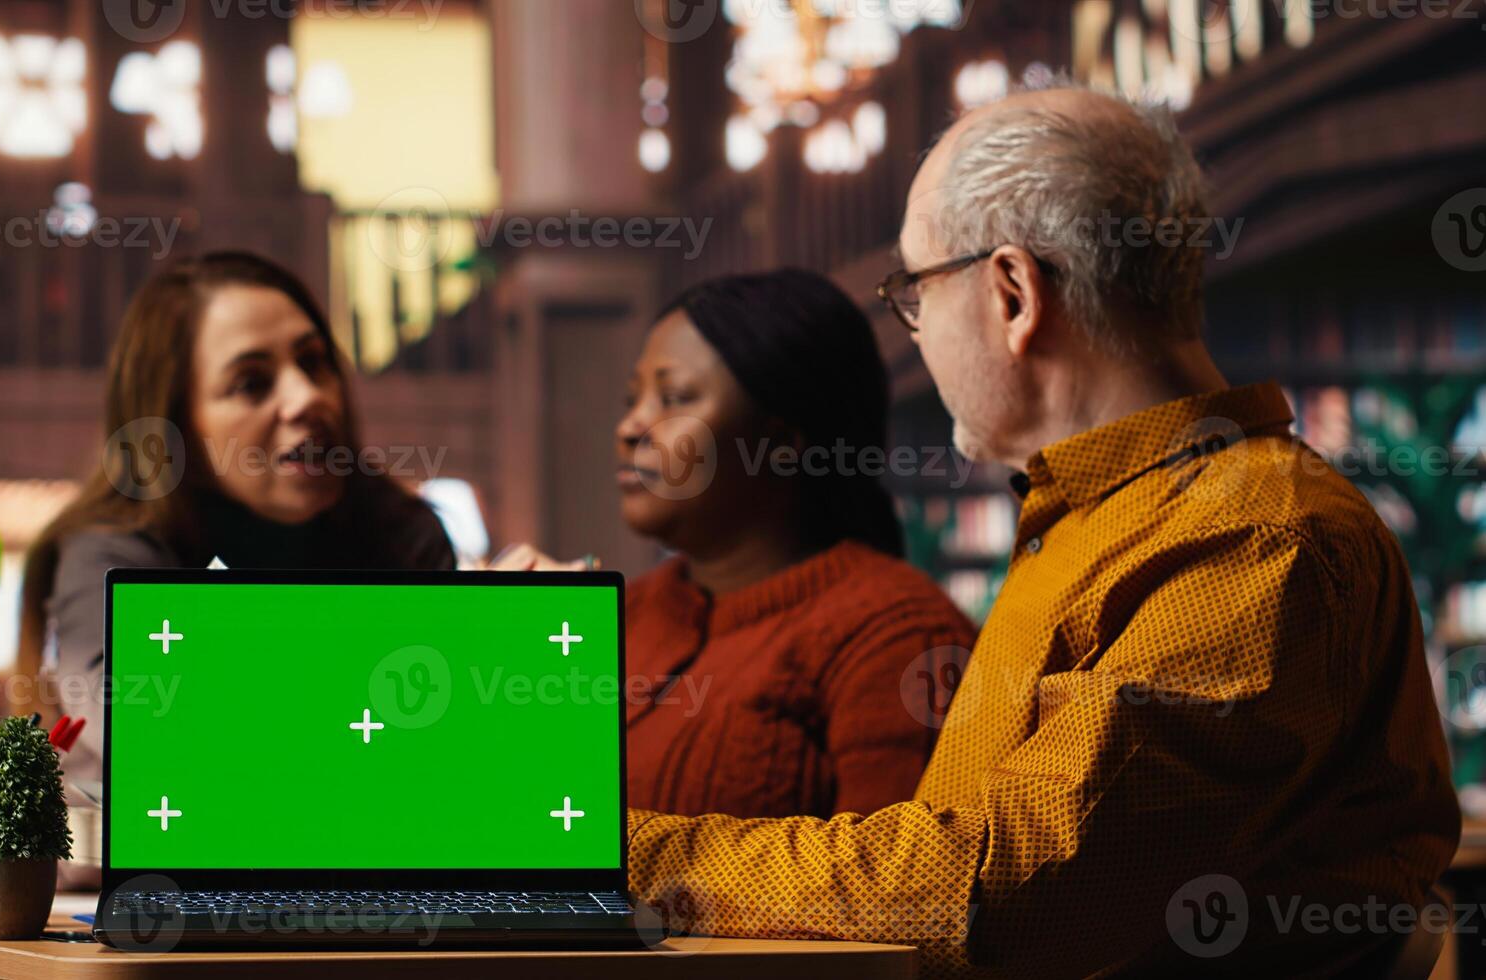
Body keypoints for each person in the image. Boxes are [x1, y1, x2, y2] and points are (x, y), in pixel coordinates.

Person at [623, 86, 1459, 976]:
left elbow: (1000, 892)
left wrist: (610, 851)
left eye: (916, 291)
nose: (916, 333)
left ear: (1012, 292)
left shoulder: (1253, 537)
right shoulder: (1096, 523)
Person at [17, 251, 454, 785]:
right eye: (251, 382)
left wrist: (508, 641)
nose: (307, 397)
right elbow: (149, 730)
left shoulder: (403, 534)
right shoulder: (111, 557)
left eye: (315, 363)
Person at [615, 269, 976, 818]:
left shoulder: (898, 636)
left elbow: (891, 895)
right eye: (633, 399)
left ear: (781, 442)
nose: (631, 426)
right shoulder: (621, 616)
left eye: (674, 398)